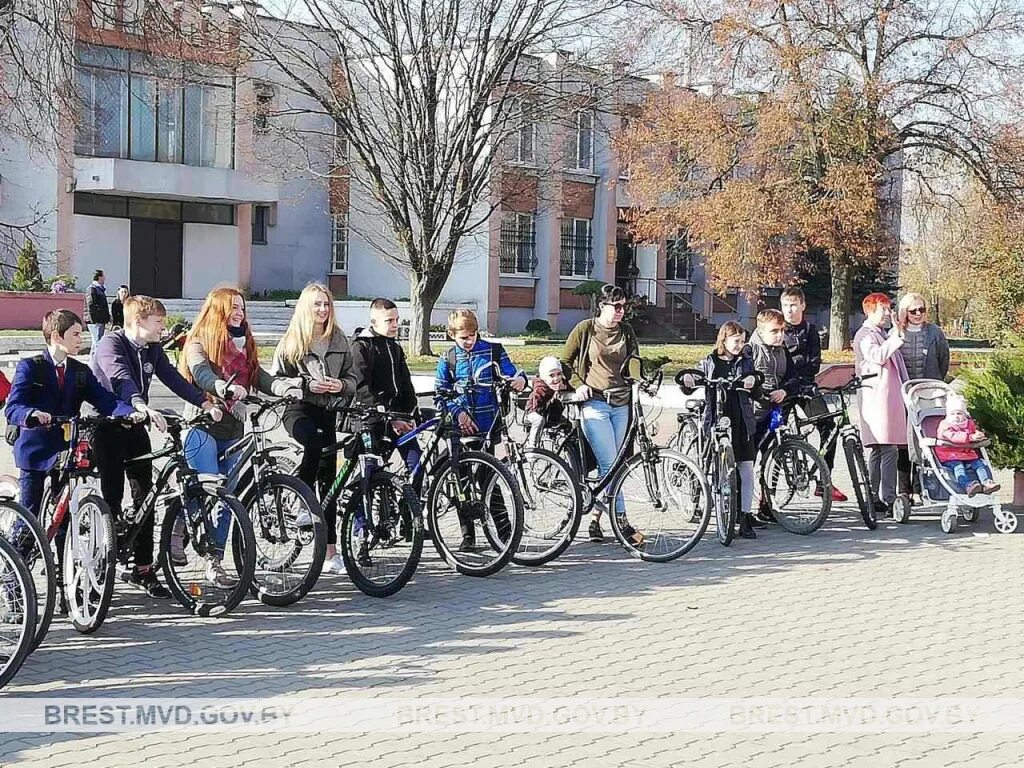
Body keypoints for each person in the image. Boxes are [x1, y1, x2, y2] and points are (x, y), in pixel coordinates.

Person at [92, 296, 223, 598]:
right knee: (110, 498)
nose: (163, 328)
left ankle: (143, 570)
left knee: (145, 496)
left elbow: (174, 379)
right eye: (158, 322)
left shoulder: (152, 349)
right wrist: (141, 405)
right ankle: (101, 566)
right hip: (108, 426)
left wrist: (204, 402)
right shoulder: (111, 344)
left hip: (137, 426)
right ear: (138, 321)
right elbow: (120, 379)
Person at [177, 287, 302, 587]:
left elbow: (258, 376)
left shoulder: (245, 343)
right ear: (217, 309)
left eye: (242, 308)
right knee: (206, 490)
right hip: (202, 427)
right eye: (233, 307)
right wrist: (222, 388)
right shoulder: (198, 341)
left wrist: (283, 387)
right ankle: (178, 527)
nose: (239, 313)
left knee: (227, 499)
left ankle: (214, 560)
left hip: (233, 430)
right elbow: (201, 373)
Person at [4, 310, 136, 521]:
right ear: (57, 336)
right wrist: (32, 413)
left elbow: (105, 400)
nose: (81, 339)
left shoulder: (79, 371)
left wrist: (130, 413)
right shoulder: (31, 367)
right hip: (34, 451)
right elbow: (13, 407)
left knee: (64, 519)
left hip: (65, 451)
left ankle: (62, 551)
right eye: (75, 334)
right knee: (29, 517)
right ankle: (16, 552)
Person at [271, 283, 357, 574]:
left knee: (330, 481)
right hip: (298, 410)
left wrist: (341, 386)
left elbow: (352, 378)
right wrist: (306, 385)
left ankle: (330, 552)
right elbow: (277, 380)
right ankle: (301, 504)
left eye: (326, 304)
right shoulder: (292, 340)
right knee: (313, 443)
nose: (322, 310)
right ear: (306, 308)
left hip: (328, 411)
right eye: (317, 304)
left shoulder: (339, 340)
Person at [435, 308, 527, 551]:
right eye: (463, 337)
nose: (469, 340)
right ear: (452, 335)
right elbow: (440, 394)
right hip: (460, 429)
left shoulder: (493, 350)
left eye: (473, 335)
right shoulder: (448, 359)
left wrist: (520, 380)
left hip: (488, 427)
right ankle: (468, 535)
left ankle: (506, 533)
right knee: (461, 482)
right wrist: (459, 413)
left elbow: (512, 372)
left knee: (490, 480)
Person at [560, 284, 642, 545]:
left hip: (621, 403)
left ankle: (596, 519)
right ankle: (623, 525)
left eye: (623, 307)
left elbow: (634, 362)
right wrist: (578, 384)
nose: (620, 312)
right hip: (595, 404)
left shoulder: (626, 331)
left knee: (617, 466)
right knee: (609, 464)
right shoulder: (586, 329)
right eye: (616, 306)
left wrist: (641, 380)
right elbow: (565, 361)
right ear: (602, 306)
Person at [680, 322, 761, 538]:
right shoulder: (710, 361)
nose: (740, 346)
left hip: (741, 419)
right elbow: (693, 380)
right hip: (716, 416)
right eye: (736, 341)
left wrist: (753, 382)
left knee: (746, 467)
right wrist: (688, 381)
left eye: (743, 341)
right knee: (709, 461)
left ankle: (744, 515)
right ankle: (702, 499)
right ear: (723, 340)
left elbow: (755, 387)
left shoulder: (745, 362)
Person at [781, 287, 848, 502]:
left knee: (829, 427)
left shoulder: (810, 330)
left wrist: (799, 372)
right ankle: (767, 493)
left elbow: (814, 363)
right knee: (772, 434)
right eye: (785, 306)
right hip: (782, 390)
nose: (789, 310)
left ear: (802, 305)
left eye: (793, 305)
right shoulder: (777, 329)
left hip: (806, 389)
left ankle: (824, 480)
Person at [350, 298, 421, 489]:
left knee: (416, 467)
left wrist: (411, 414)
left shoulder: (394, 347)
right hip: (371, 419)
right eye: (389, 321)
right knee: (370, 476)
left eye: (397, 320)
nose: (395, 325)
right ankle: (360, 518)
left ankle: (408, 515)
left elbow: (406, 384)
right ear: (374, 321)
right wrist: (388, 418)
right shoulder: (361, 347)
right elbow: (362, 388)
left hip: (398, 418)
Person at [852, 292, 908, 515]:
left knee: (879, 448)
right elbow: (877, 356)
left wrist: (895, 332)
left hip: (885, 398)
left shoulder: (880, 333)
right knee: (888, 448)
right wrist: (897, 337)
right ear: (870, 311)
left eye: (888, 309)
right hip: (876, 399)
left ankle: (872, 496)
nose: (888, 313)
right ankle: (887, 498)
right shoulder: (865, 335)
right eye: (883, 309)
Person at [895, 292, 950, 498]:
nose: (918, 314)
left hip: (929, 395)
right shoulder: (897, 332)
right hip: (902, 394)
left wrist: (935, 382)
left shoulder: (934, 332)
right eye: (913, 310)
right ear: (905, 312)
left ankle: (922, 487)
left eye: (922, 309)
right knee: (903, 442)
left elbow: (943, 359)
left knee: (926, 441)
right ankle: (904, 490)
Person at [935, 394, 1000, 496]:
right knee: (959, 467)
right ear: (948, 414)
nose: (956, 416)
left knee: (979, 464)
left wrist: (978, 435)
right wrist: (970, 437)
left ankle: (986, 482)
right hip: (949, 454)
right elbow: (953, 437)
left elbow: (973, 432)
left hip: (967, 453)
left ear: (964, 414)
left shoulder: (969, 423)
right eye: (953, 414)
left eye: (959, 413)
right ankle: (968, 485)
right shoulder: (945, 425)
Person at [524, 356, 574, 448]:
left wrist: (565, 387)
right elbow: (537, 404)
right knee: (538, 420)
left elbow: (571, 387)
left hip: (551, 413)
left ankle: (570, 448)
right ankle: (532, 445)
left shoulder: (560, 384)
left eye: (559, 374)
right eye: (551, 375)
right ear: (544, 377)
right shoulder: (541, 387)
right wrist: (552, 398)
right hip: (535, 411)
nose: (556, 378)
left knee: (569, 425)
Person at [83, 270, 110, 360]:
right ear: (99, 277)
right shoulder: (92, 289)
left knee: (96, 343)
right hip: (95, 321)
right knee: (97, 342)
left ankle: (93, 360)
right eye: (103, 276)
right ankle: (97, 361)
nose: (105, 278)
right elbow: (91, 305)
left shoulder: (100, 289)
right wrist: (95, 319)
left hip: (100, 320)